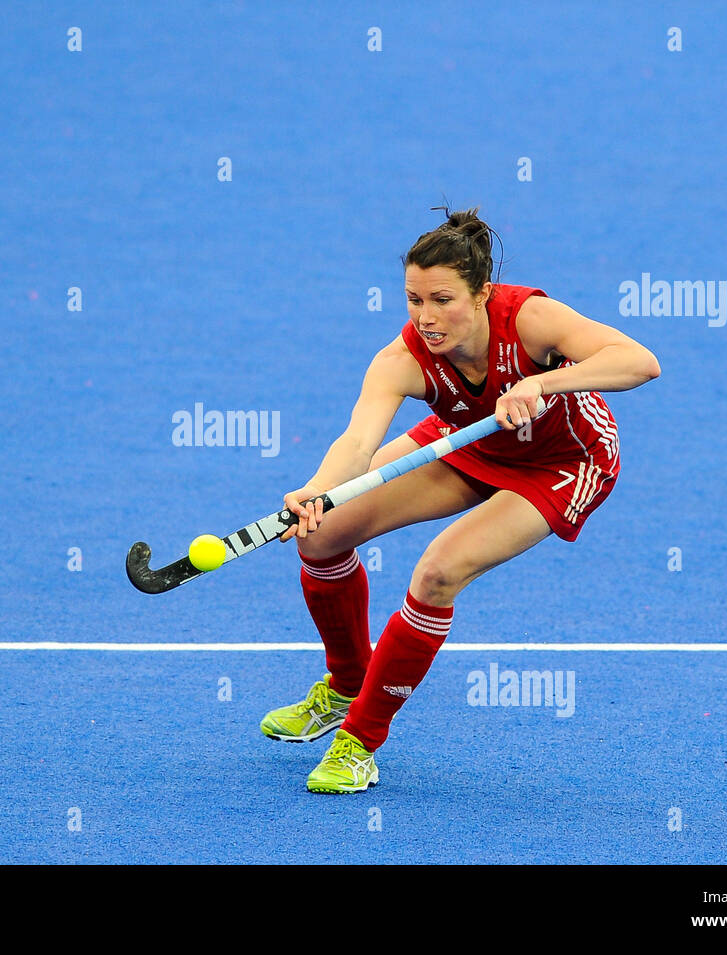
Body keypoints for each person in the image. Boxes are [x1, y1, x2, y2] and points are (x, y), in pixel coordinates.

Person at [262, 207, 661, 793]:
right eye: (414, 300)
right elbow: (357, 443)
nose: (426, 317)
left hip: (564, 462)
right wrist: (318, 491)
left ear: (482, 295)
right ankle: (347, 682)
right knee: (321, 533)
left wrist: (539, 382)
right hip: (470, 444)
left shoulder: (530, 319)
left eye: (442, 299)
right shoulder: (402, 359)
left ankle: (360, 740)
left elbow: (639, 362)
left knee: (437, 573)